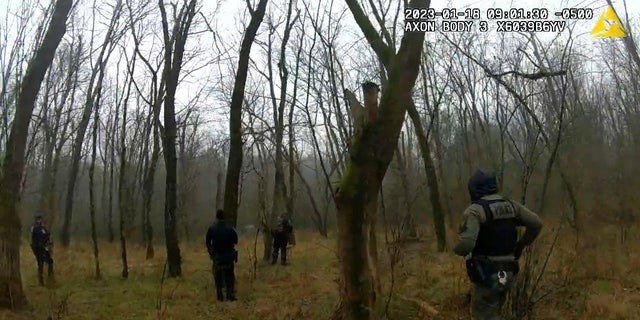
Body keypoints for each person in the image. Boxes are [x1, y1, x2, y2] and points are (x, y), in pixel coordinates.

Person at [454, 169, 543, 320]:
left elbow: (467, 244)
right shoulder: (512, 206)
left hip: (488, 274)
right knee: (501, 310)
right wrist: (520, 246)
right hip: (509, 274)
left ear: (473, 190)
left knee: (485, 314)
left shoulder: (475, 211)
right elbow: (536, 223)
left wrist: (456, 250)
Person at [206, 209, 238, 302]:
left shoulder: (212, 228)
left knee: (218, 277)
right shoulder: (230, 228)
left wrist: (211, 253)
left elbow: (208, 242)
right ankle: (230, 295)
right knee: (230, 276)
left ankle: (220, 296)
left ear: (216, 217)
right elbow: (236, 240)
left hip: (217, 256)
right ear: (224, 217)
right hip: (229, 256)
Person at [30, 213, 54, 286]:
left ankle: (44, 280)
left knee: (43, 263)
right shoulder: (38, 228)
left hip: (39, 248)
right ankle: (46, 280)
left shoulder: (36, 227)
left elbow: (46, 236)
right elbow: (44, 236)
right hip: (40, 248)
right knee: (45, 262)